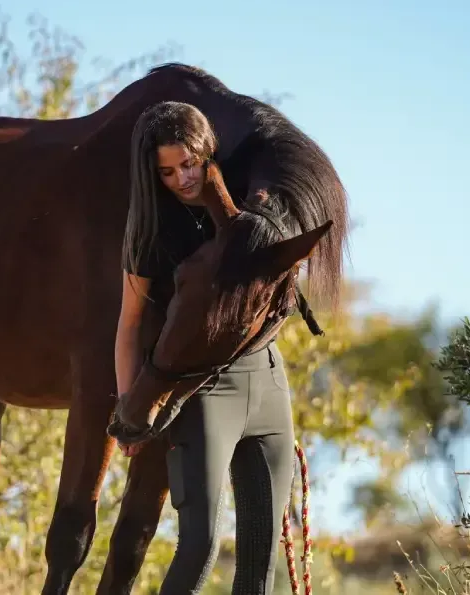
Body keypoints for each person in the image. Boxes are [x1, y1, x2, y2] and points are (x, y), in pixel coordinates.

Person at [114, 100, 296, 593]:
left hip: (269, 378)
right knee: (200, 545)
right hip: (203, 393)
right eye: (167, 172)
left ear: (207, 152)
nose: (181, 179)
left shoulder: (245, 197)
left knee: (260, 554)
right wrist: (130, 403)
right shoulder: (155, 228)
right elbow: (130, 324)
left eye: (188, 164)